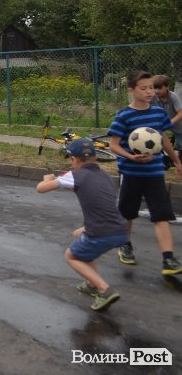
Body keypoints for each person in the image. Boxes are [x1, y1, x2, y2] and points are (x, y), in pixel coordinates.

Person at [36, 139, 127, 311]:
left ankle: (104, 289)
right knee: (80, 238)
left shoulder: (75, 175)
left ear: (74, 159)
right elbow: (86, 189)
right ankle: (91, 285)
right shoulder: (105, 176)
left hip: (100, 231)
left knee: (72, 256)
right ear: (96, 158)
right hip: (119, 229)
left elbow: (41, 188)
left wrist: (47, 179)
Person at [108, 70, 182, 275]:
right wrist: (130, 156)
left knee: (161, 214)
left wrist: (177, 161)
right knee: (127, 213)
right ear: (131, 90)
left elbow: (163, 139)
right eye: (144, 88)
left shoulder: (158, 113)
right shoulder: (124, 115)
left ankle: (168, 259)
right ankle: (125, 245)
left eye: (151, 87)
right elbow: (113, 144)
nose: (150, 92)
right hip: (131, 172)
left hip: (155, 172)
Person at [151, 74, 182, 155]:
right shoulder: (152, 97)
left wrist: (170, 122)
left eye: (159, 88)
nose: (156, 91)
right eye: (154, 88)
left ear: (167, 87)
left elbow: (180, 113)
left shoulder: (173, 97)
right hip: (161, 125)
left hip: (178, 125)